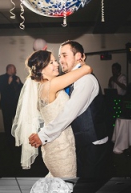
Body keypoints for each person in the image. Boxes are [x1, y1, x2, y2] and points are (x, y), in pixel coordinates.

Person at [28, 40, 110, 178]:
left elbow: (69, 112)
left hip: (92, 142)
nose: (60, 61)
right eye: (58, 57)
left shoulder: (86, 80)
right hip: (74, 142)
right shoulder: (64, 80)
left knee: (89, 186)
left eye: (64, 56)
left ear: (78, 56)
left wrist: (43, 135)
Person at [14, 49, 93, 177]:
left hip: (54, 144)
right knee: (65, 186)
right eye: (51, 62)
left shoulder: (42, 88)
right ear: (41, 69)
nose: (57, 64)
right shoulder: (52, 84)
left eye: (55, 61)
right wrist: (81, 61)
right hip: (61, 148)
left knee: (58, 186)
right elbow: (87, 69)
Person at [0, 64, 23, 146]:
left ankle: (17, 138)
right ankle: (8, 140)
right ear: (9, 69)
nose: (15, 70)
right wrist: (8, 83)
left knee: (17, 122)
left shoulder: (16, 78)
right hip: (6, 104)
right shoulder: (1, 78)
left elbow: (22, 89)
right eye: (14, 69)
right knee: (7, 122)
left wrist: (19, 83)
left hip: (16, 104)